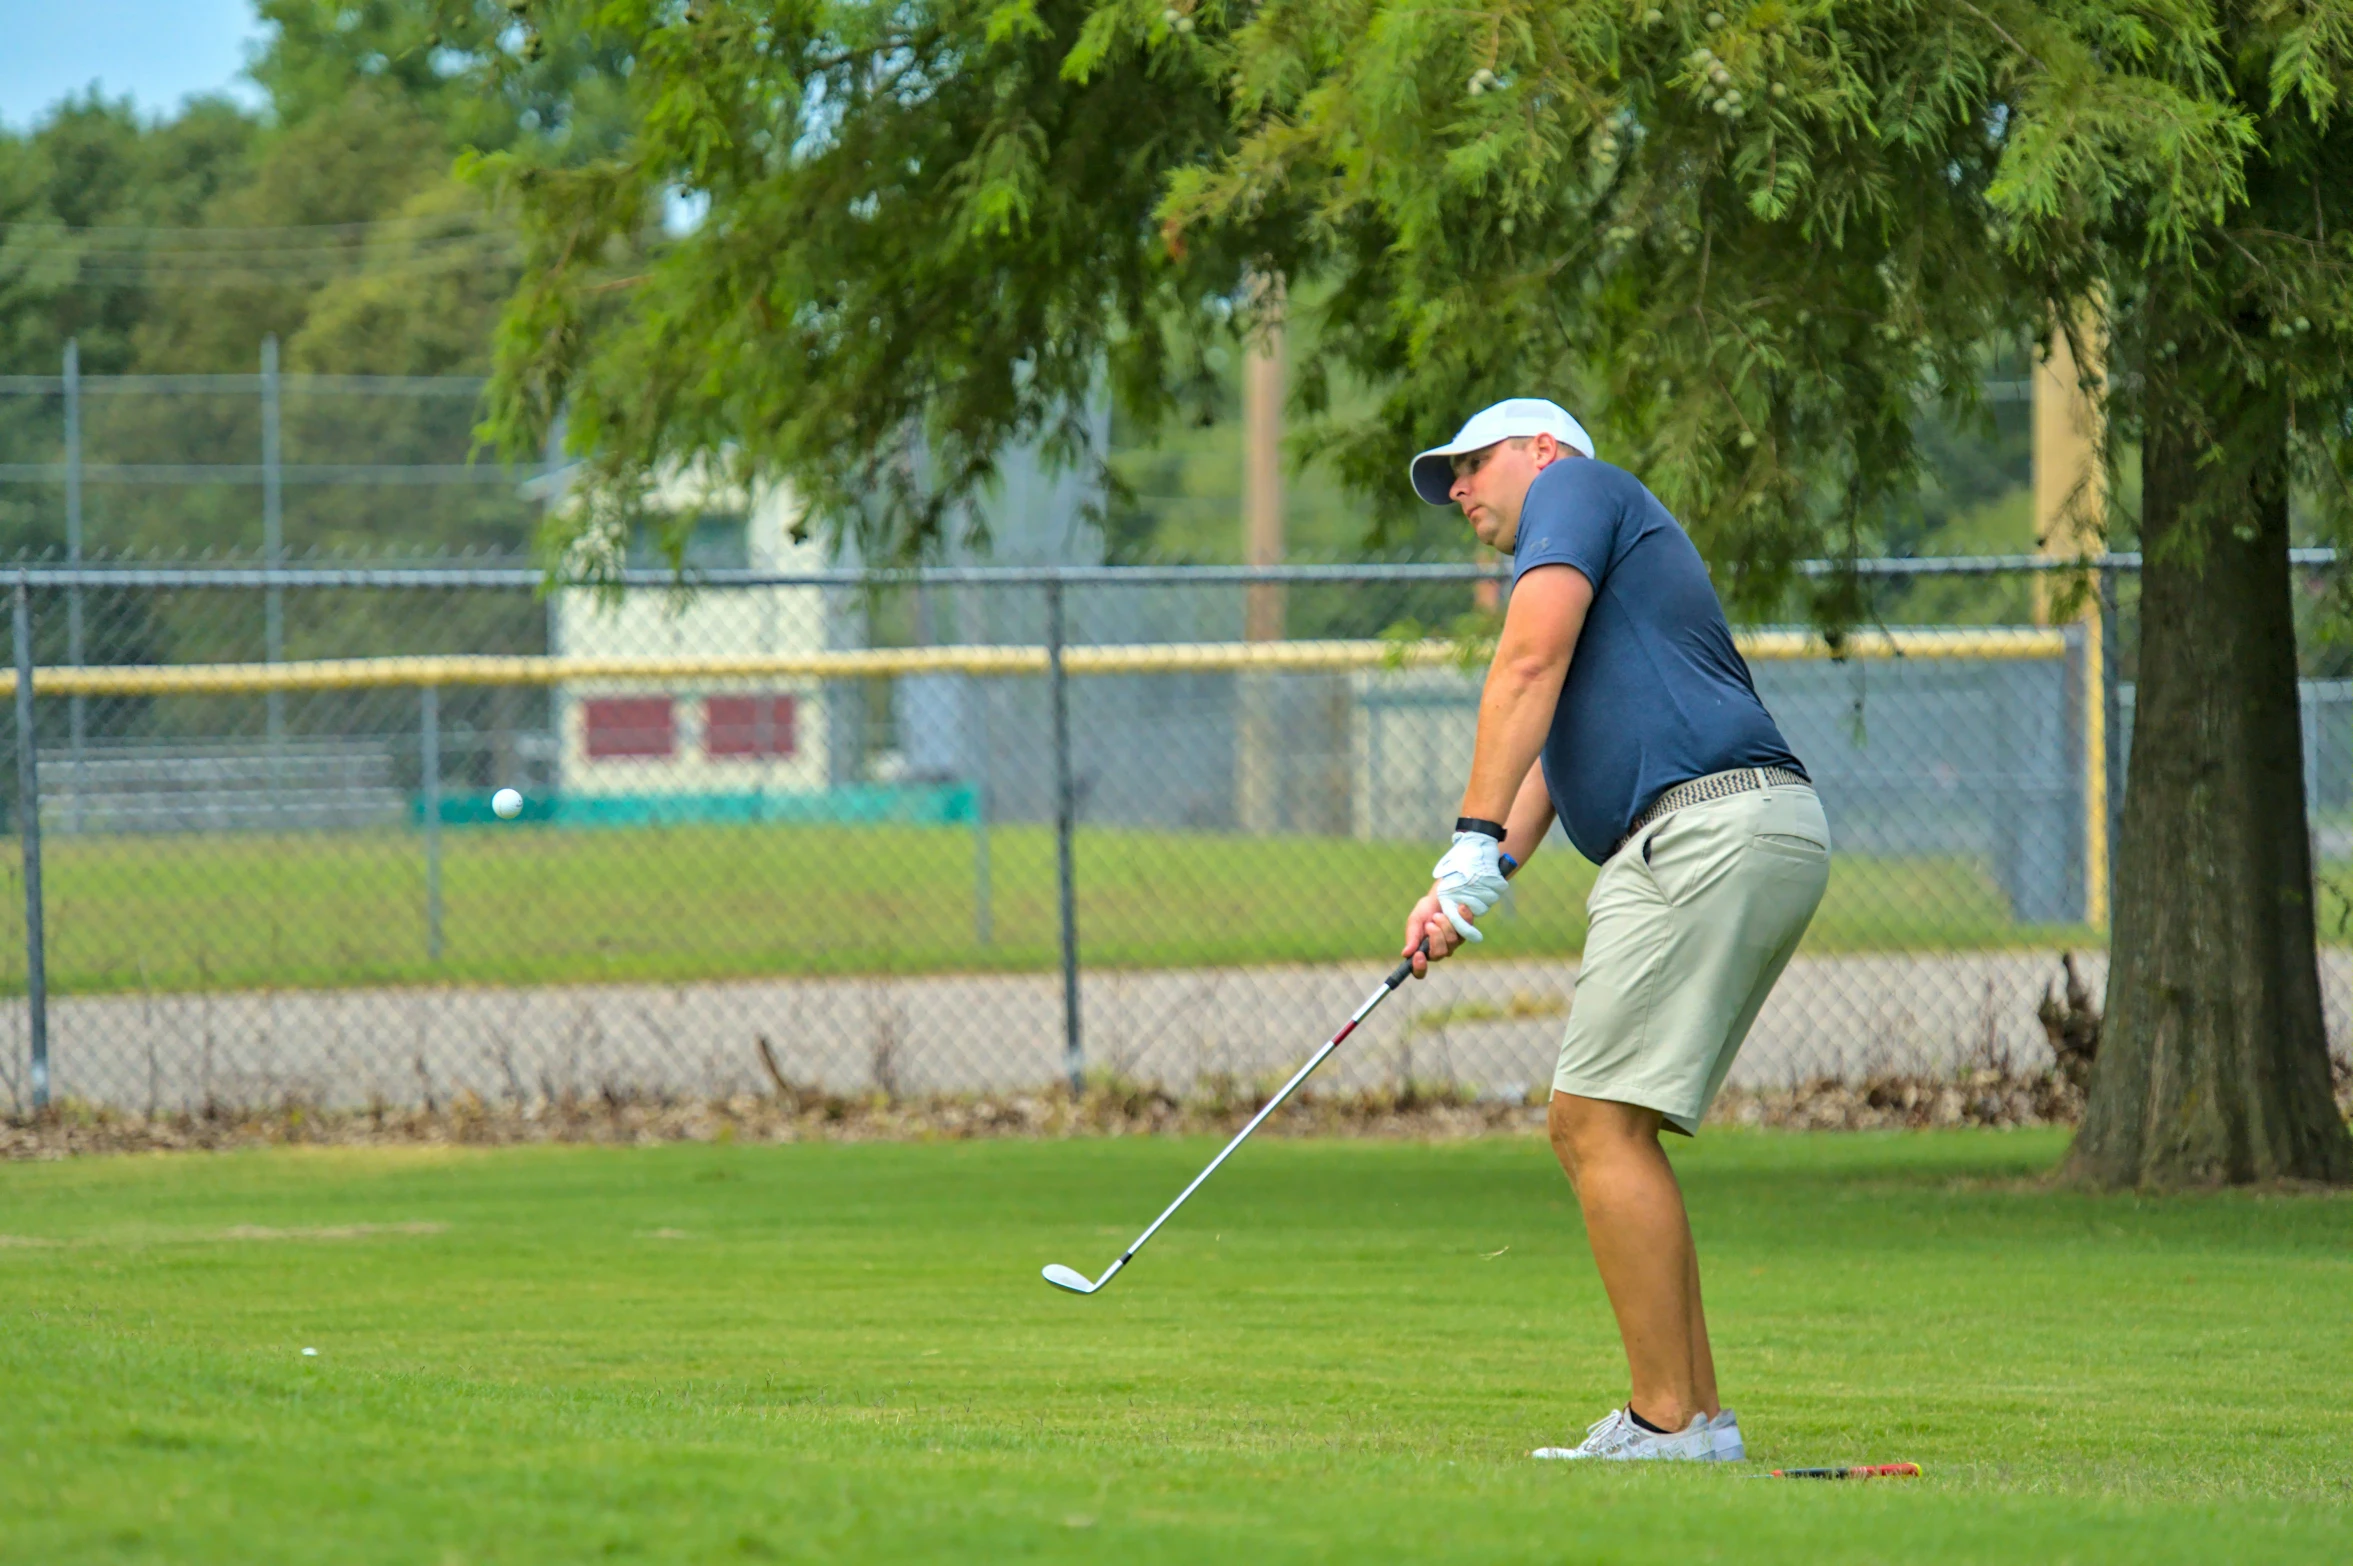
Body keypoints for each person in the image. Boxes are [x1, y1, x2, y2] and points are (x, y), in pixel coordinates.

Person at [1397, 398, 1829, 1463]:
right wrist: (1477, 878)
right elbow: (1550, 747)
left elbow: (1525, 669)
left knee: (1589, 1124)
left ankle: (1666, 1422)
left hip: (1701, 827)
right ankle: (1696, 1420)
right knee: (1610, 1125)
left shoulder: (1578, 489)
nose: (1457, 489)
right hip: (1730, 826)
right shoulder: (1596, 557)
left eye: (1471, 463)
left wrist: (1465, 837)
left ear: (1543, 449)